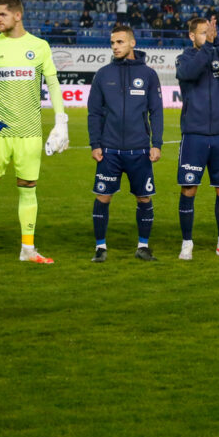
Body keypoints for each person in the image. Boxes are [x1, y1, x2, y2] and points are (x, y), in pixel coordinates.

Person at [0, 0, 70, 266]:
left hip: (29, 132)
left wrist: (61, 121)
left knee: (28, 187)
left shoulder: (39, 46)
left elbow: (53, 83)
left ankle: (28, 249)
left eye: (2, 14)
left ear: (17, 15)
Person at [87, 25, 164, 262]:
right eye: (112, 43)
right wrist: (95, 144)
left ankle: (143, 246)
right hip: (109, 150)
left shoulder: (148, 74)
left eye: (120, 42)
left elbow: (156, 111)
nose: (115, 47)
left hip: (139, 149)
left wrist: (156, 143)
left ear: (132, 43)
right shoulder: (103, 74)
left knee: (144, 198)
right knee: (102, 197)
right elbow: (94, 112)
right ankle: (100, 248)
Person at [175, 15, 219, 259]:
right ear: (192, 36)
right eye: (203, 33)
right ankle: (187, 243)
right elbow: (190, 73)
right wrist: (207, 47)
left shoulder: (216, 53)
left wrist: (218, 41)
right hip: (194, 134)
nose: (207, 36)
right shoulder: (185, 58)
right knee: (189, 189)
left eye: (209, 32)